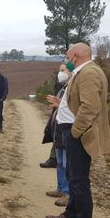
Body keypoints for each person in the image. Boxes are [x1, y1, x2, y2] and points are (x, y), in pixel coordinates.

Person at [45, 43, 110, 218]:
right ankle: (71, 214)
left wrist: (75, 132)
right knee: (73, 176)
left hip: (79, 134)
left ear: (75, 55)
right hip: (72, 131)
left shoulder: (89, 73)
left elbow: (90, 107)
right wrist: (62, 105)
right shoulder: (83, 71)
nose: (66, 60)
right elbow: (78, 100)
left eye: (67, 56)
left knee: (79, 180)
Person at [44, 63, 72, 207]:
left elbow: (73, 108)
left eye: (62, 71)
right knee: (60, 162)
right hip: (59, 129)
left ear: (70, 72)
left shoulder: (73, 88)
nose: (60, 73)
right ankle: (60, 188)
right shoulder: (62, 88)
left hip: (68, 129)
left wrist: (59, 104)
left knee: (68, 164)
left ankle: (68, 193)